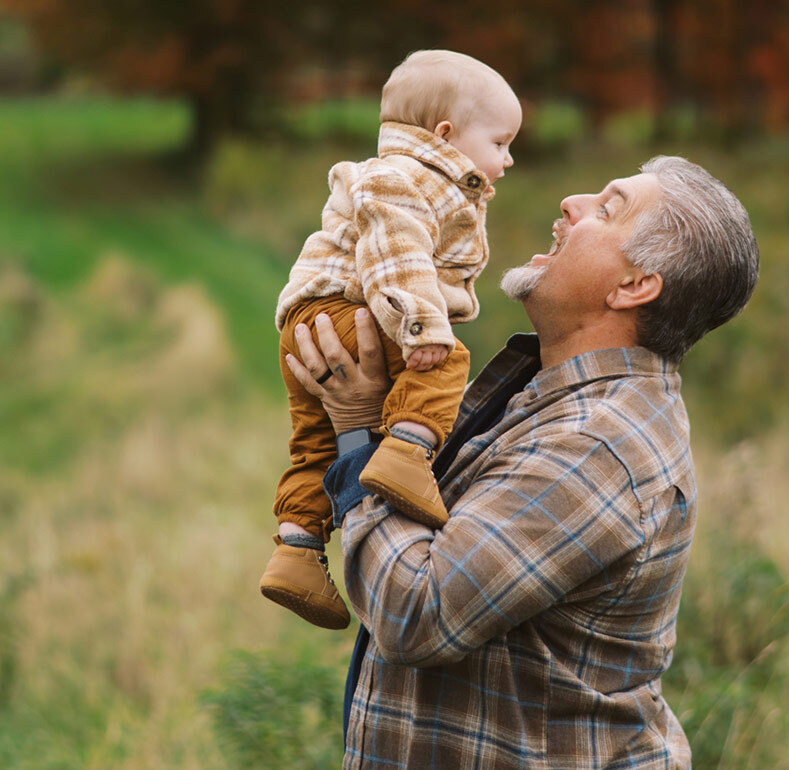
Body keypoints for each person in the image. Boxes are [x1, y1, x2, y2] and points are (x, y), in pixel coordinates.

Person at [286, 155, 759, 768]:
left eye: (608, 208)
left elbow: (415, 611)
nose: (572, 201)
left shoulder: (596, 445)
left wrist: (356, 434)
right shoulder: (555, 396)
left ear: (633, 287)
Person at [259, 50, 522, 630]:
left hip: (308, 327)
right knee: (446, 362)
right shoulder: (406, 178)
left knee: (314, 445)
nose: (507, 159)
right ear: (447, 135)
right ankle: (406, 455)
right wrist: (423, 326)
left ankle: (296, 550)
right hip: (355, 313)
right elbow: (394, 253)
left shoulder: (401, 175)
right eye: (500, 143)